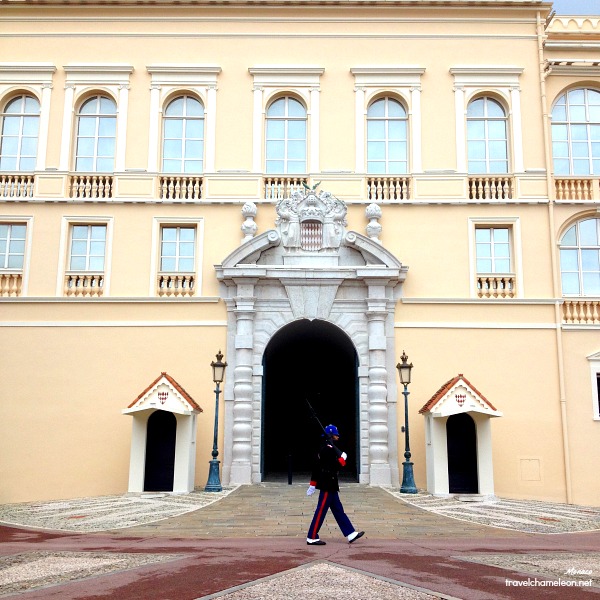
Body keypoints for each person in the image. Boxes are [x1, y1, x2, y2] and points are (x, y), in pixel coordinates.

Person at [306, 424, 365, 545]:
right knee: (321, 511)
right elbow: (331, 466)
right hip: (327, 484)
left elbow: (318, 467)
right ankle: (311, 536)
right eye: (336, 434)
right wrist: (343, 459)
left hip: (330, 484)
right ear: (331, 435)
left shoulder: (326, 447)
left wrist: (313, 483)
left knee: (338, 510)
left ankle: (350, 533)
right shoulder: (327, 449)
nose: (338, 436)